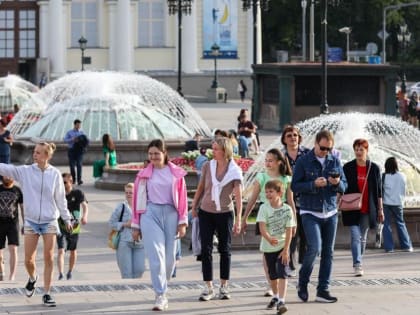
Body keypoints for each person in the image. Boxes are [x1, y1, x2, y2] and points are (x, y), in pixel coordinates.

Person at [0, 142, 73, 307]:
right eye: (34, 152)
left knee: (49, 257)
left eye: (39, 153)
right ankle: (33, 278)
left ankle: (47, 293)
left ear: (47, 155)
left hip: (49, 221)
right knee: (28, 261)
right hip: (32, 221)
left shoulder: (54, 174)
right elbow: (5, 168)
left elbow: (60, 199)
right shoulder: (25, 172)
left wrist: (67, 219)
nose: (35, 155)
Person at [131, 139, 188, 311]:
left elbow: (183, 199)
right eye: (150, 154)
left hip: (171, 214)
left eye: (156, 153)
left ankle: (163, 282)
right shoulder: (142, 175)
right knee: (156, 257)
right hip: (150, 214)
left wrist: (182, 221)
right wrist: (136, 225)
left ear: (164, 153)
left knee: (169, 260)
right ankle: (160, 295)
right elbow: (136, 200)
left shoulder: (176, 174)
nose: (153, 157)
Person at [291, 130, 347, 303]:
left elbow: (345, 186)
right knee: (314, 247)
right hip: (310, 211)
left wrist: (338, 184)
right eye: (322, 148)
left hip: (330, 212)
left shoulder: (335, 160)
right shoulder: (303, 161)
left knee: (328, 252)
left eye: (328, 149)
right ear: (315, 144)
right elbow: (295, 186)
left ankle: (323, 289)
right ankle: (303, 282)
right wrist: (312, 184)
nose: (325, 152)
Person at [191, 137, 243, 301]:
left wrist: (239, 219)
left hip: (225, 213)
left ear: (225, 151)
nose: (213, 152)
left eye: (216, 149)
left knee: (225, 250)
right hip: (206, 212)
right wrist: (194, 206)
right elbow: (200, 188)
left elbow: (238, 196)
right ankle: (208, 287)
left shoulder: (234, 170)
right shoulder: (207, 166)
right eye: (212, 149)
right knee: (206, 250)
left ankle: (224, 286)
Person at [242, 148, 296, 297]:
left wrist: (295, 221)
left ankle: (280, 279)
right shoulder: (261, 176)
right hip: (266, 216)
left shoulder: (286, 179)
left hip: (282, 215)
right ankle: (271, 283)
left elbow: (291, 201)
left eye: (270, 160)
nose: (267, 163)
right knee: (267, 251)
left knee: (282, 249)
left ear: (279, 162)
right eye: (266, 160)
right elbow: (253, 199)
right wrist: (244, 217)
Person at [342, 139, 384, 277]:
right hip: (352, 207)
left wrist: (380, 209)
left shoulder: (374, 168)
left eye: (361, 149)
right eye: (356, 149)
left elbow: (379, 191)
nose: (359, 152)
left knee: (363, 238)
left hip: (368, 208)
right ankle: (357, 264)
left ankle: (359, 260)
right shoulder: (347, 167)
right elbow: (342, 187)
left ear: (367, 151)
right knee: (355, 236)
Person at [257, 179, 295, 314]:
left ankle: (282, 301)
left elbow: (289, 230)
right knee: (272, 276)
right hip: (268, 248)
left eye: (271, 191)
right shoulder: (263, 208)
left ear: (280, 193)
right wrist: (268, 238)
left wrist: (286, 249)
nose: (268, 194)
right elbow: (262, 227)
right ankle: (275, 296)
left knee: (283, 274)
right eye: (266, 192)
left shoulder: (287, 209)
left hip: (282, 247)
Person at [281, 125, 310, 274]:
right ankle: (289, 263)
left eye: (295, 135)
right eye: (289, 135)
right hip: (286, 200)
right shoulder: (281, 156)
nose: (293, 138)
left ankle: (303, 263)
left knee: (305, 233)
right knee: (290, 232)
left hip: (305, 199)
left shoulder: (307, 154)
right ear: (284, 139)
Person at [109, 183, 145, 279]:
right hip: (124, 243)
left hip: (140, 243)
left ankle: (136, 291)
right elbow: (112, 223)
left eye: (131, 193)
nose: (128, 194)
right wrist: (125, 224)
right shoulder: (121, 207)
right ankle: (127, 291)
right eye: (126, 192)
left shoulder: (142, 207)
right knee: (126, 273)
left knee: (140, 270)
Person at [57, 173, 89, 280]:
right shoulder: (58, 193)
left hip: (74, 226)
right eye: (61, 182)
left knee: (73, 250)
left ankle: (70, 271)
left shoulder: (78, 193)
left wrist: (84, 216)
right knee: (61, 249)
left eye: (64, 182)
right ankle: (60, 273)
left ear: (71, 181)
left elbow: (85, 205)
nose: (62, 184)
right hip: (60, 225)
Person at [382, 157, 413, 253]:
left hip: (386, 203)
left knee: (386, 224)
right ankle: (406, 246)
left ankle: (389, 248)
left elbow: (381, 190)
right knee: (400, 223)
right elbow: (404, 189)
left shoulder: (383, 176)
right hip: (398, 203)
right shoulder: (402, 176)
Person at [0, 176, 24, 281]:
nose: (7, 177)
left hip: (13, 224)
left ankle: (12, 276)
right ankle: (1, 271)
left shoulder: (17, 190)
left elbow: (23, 208)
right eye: (5, 176)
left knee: (13, 249)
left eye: (9, 175)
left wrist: (26, 223)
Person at [64, 119, 88, 185]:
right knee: (72, 166)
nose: (79, 126)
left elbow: (85, 140)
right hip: (71, 150)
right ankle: (73, 180)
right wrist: (72, 139)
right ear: (74, 125)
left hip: (79, 151)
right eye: (77, 125)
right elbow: (65, 140)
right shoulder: (69, 132)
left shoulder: (82, 133)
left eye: (80, 125)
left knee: (79, 165)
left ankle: (79, 180)